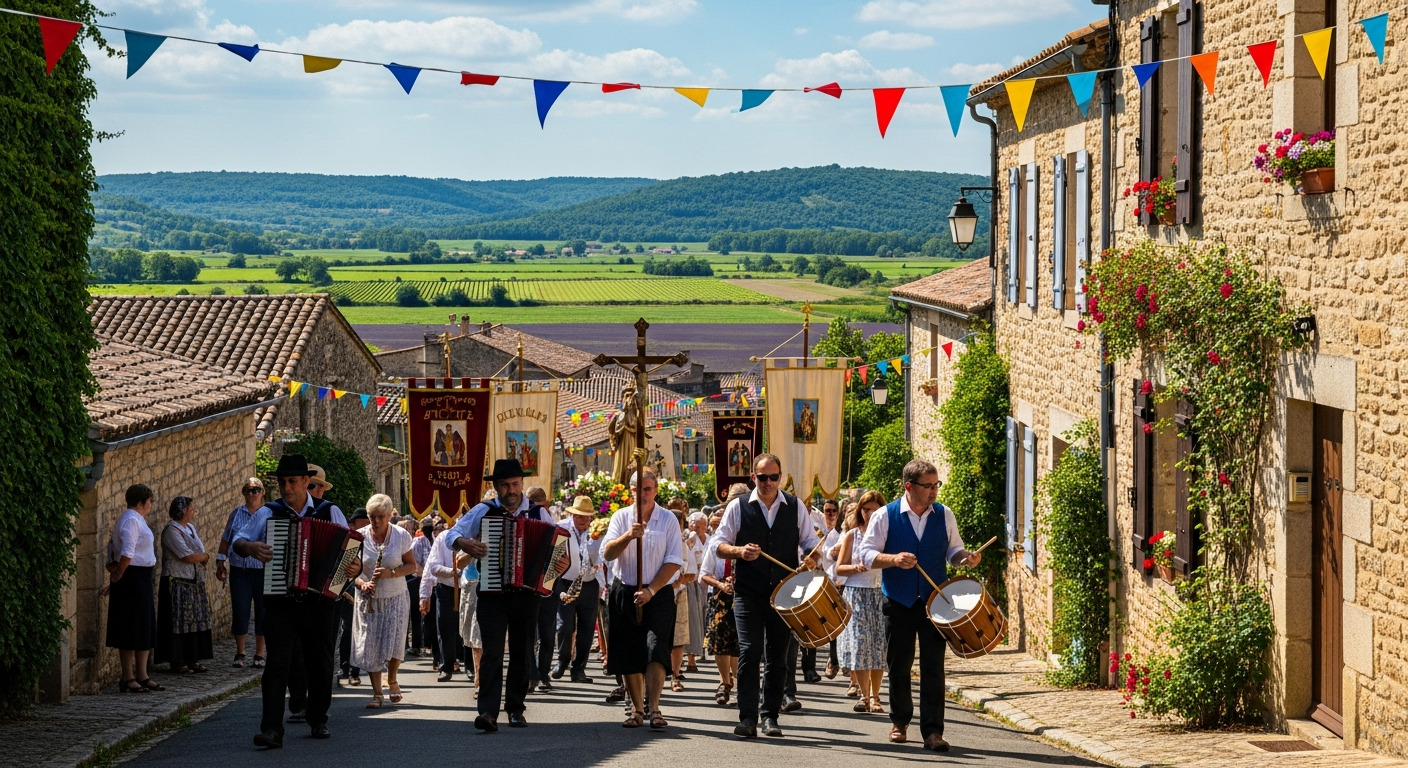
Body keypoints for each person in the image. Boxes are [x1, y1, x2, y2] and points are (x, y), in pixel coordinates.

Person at [230, 454, 359, 748]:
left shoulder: (329, 511)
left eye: (292, 481)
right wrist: (250, 547)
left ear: (305, 482)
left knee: (320, 662)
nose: (286, 488)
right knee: (277, 663)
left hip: (319, 601)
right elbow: (239, 540)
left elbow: (350, 551)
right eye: (282, 482)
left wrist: (355, 567)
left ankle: (318, 718)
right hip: (281, 598)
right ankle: (272, 729)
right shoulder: (269, 512)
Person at [856, 459, 981, 752]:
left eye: (937, 485)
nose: (934, 491)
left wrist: (965, 558)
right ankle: (900, 722)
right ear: (909, 486)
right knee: (899, 665)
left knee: (933, 667)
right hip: (898, 600)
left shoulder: (944, 514)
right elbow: (866, 554)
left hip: (935, 602)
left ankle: (933, 732)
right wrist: (893, 559)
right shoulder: (885, 516)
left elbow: (953, 551)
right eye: (928, 486)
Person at [444, 458, 558, 732]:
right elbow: (452, 534)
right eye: (505, 485)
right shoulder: (484, 511)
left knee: (522, 651)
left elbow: (557, 549)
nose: (512, 490)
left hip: (527, 593)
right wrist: (464, 542)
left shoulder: (539, 514)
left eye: (515, 484)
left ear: (522, 483)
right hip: (492, 592)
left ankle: (516, 708)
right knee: (492, 652)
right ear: (496, 487)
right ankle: (487, 712)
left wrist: (558, 564)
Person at [713, 455, 819, 739]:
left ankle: (769, 716)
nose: (768, 482)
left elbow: (811, 544)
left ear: (780, 477)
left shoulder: (795, 506)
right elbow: (718, 545)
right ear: (753, 477)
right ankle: (747, 717)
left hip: (784, 592)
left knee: (778, 656)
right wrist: (739, 551)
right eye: (762, 477)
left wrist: (812, 558)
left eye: (773, 477)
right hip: (748, 591)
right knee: (749, 651)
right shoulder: (738, 506)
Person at [601, 469, 684, 730]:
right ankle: (636, 709)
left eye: (648, 489)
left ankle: (654, 706)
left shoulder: (667, 519)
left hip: (658, 593)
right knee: (628, 650)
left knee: (656, 648)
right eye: (638, 489)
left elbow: (674, 560)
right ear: (631, 490)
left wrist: (652, 590)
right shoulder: (621, 517)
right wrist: (628, 535)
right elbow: (607, 553)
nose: (643, 494)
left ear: (655, 490)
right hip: (625, 590)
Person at [352, 494, 417, 709]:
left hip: (395, 596)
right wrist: (362, 583)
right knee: (370, 644)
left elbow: (412, 566)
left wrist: (392, 573)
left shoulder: (401, 536)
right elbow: (351, 571)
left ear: (390, 516)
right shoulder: (359, 537)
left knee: (394, 641)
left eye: (381, 516)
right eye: (372, 516)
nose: (376, 521)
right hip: (368, 599)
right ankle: (377, 693)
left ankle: (393, 680)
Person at [104, 484, 163, 693]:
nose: (151, 505)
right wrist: (118, 575)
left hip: (140, 576)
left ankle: (142, 675)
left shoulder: (136, 519)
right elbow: (127, 552)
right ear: (141, 502)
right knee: (129, 626)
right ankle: (128, 677)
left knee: (143, 625)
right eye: (150, 501)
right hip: (132, 577)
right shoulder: (131, 520)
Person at [836, 491, 887, 714]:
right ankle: (864, 696)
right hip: (856, 594)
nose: (870, 514)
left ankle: (876, 696)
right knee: (860, 645)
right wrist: (855, 567)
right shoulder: (853, 535)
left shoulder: (887, 535)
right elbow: (839, 568)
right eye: (866, 509)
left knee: (879, 646)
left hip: (880, 593)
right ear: (860, 511)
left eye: (875, 510)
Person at [700, 483, 747, 707]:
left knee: (741, 643)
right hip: (722, 598)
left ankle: (739, 682)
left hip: (745, 596)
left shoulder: (751, 537)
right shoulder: (717, 541)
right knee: (720, 642)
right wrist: (721, 584)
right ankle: (724, 681)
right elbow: (704, 574)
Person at [156, 496, 214, 674]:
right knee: (178, 622)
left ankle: (192, 658)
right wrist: (204, 556)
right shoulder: (171, 531)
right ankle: (177, 661)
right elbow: (187, 556)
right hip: (176, 582)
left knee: (193, 621)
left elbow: (199, 550)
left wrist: (202, 556)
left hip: (193, 583)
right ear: (182, 511)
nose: (193, 512)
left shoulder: (190, 528)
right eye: (191, 509)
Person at [217, 478, 266, 669]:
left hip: (262, 571)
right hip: (240, 570)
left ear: (262, 492)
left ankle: (260, 654)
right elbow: (226, 538)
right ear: (243, 493)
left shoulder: (269, 514)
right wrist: (220, 561)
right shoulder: (236, 514)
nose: (252, 494)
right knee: (240, 610)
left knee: (263, 612)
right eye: (248, 490)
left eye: (256, 490)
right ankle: (240, 652)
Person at [552, 496, 601, 683]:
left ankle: (579, 669)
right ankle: (562, 661)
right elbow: (553, 556)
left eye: (586, 516)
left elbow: (603, 556)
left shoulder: (597, 531)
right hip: (566, 581)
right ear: (572, 515)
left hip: (589, 582)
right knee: (565, 625)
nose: (583, 520)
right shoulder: (561, 528)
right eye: (579, 516)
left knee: (587, 628)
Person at [419, 517, 462, 683]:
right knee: (445, 630)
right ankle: (446, 666)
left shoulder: (475, 536)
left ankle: (472, 667)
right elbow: (432, 567)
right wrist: (425, 594)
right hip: (446, 589)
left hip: (469, 589)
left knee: (469, 631)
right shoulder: (443, 538)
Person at [525, 485, 559, 693]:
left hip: (546, 582)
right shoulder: (518, 515)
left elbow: (557, 543)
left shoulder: (544, 515)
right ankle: (532, 674)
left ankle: (542, 672)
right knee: (529, 632)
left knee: (546, 632)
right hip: (526, 585)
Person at [666, 500, 697, 693]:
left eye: (678, 524)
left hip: (678, 594)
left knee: (678, 638)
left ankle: (675, 675)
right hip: (658, 593)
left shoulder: (684, 545)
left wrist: (680, 580)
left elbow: (692, 573)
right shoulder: (659, 542)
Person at [338, 508, 368, 687]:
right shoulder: (347, 539)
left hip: (365, 590)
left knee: (360, 631)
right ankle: (345, 668)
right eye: (364, 523)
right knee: (348, 629)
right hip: (347, 588)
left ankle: (354, 670)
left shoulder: (371, 540)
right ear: (354, 524)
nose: (367, 526)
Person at [683, 510, 709, 674]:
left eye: (700, 526)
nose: (697, 529)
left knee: (697, 619)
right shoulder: (687, 536)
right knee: (687, 620)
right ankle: (685, 659)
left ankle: (694, 655)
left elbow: (702, 562)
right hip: (685, 582)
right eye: (694, 525)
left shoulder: (707, 540)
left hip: (699, 583)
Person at [409, 518, 435, 662]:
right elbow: (413, 562)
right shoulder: (420, 542)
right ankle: (420, 645)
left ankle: (424, 645)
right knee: (419, 614)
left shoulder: (432, 542)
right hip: (420, 581)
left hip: (427, 581)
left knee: (424, 615)